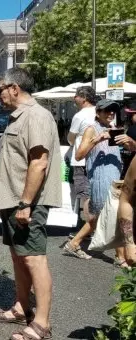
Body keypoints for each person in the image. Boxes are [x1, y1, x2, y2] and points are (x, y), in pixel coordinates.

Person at [0, 68, 60, 340]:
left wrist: (26, 203)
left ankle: (42, 324)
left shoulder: (36, 116)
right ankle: (22, 307)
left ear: (14, 88)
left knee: (33, 258)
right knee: (19, 256)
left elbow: (39, 162)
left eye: (0, 89)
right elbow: (14, 159)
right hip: (15, 200)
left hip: (28, 202)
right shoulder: (17, 118)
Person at [63, 100, 123, 260]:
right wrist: (98, 139)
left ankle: (74, 243)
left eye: (113, 111)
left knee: (106, 215)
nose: (111, 113)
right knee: (110, 214)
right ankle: (120, 257)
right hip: (100, 177)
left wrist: (128, 143)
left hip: (114, 176)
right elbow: (79, 154)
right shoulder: (92, 129)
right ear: (98, 113)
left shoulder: (113, 129)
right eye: (107, 110)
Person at [67, 86, 97, 227]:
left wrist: (71, 142)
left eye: (76, 96)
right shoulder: (102, 112)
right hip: (98, 159)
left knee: (84, 194)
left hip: (81, 160)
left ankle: (88, 228)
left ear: (84, 98)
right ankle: (95, 226)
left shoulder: (80, 115)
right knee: (96, 193)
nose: (74, 98)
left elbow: (71, 138)